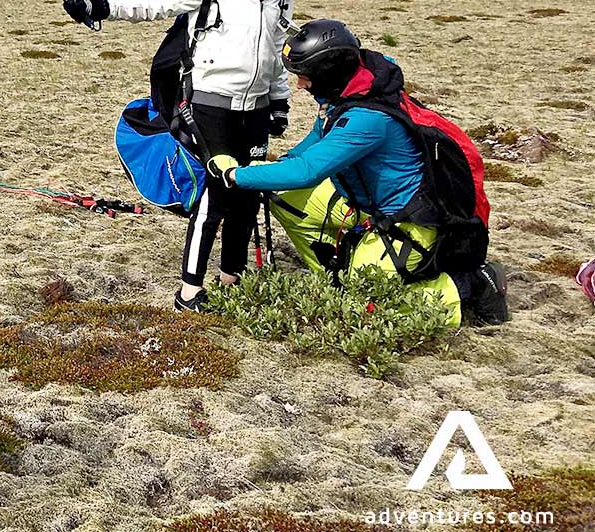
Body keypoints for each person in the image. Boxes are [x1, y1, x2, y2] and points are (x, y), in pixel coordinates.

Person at [64, 0, 299, 312]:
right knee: (217, 190)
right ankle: (189, 290)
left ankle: (233, 277)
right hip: (210, 102)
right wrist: (98, 7)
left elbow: (277, 45)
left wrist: (278, 101)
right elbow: (154, 2)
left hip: (257, 106)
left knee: (249, 192)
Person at [207, 19, 508, 326]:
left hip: (411, 224)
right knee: (281, 192)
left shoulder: (368, 118)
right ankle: (339, 274)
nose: (300, 84)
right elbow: (315, 143)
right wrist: (275, 167)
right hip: (366, 206)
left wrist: (235, 175)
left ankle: (471, 285)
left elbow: (307, 171)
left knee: (365, 306)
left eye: (305, 77)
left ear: (328, 73)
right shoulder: (349, 93)